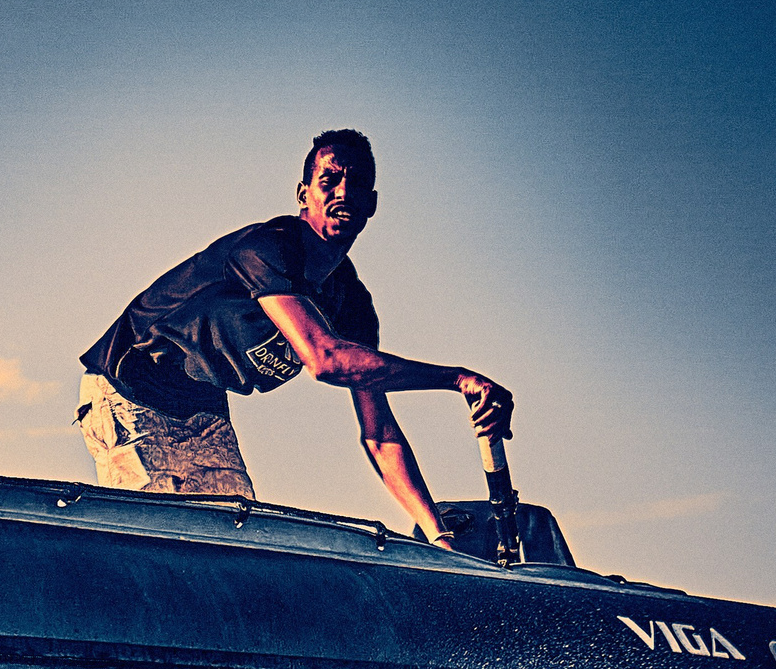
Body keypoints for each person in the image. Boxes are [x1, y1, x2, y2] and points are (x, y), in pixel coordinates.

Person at [77, 128, 513, 545]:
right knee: (166, 541)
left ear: (372, 204)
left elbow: (379, 434)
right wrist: (456, 378)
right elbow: (325, 360)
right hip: (128, 388)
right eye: (330, 180)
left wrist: (438, 534)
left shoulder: (351, 303)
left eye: (356, 184)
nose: (343, 192)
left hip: (203, 408)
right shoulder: (270, 247)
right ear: (304, 194)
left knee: (235, 544)